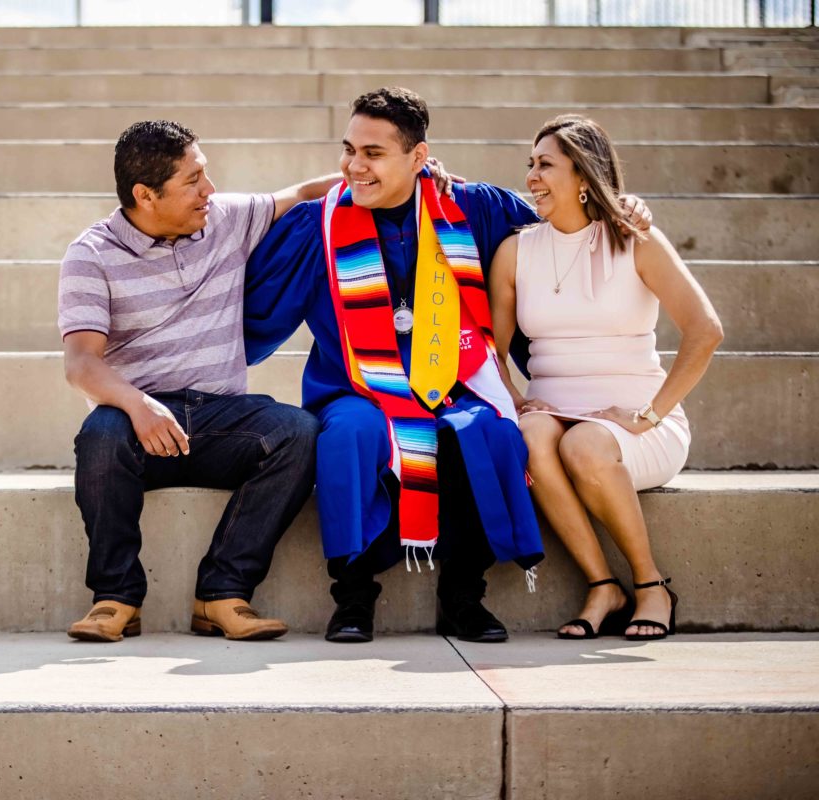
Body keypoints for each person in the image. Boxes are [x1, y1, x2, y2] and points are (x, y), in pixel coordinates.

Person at [244, 87, 651, 644]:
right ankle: (354, 598)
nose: (354, 166)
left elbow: (562, 220)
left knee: (484, 429)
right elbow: (254, 313)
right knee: (349, 434)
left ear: (418, 158)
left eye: (374, 154)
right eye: (349, 150)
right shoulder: (318, 226)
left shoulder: (470, 208)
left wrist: (619, 206)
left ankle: (463, 598)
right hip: (357, 390)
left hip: (451, 384)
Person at [58, 120, 340, 642]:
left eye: (204, 174)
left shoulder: (224, 218)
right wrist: (138, 405)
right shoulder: (91, 254)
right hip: (139, 424)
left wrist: (407, 175)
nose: (208, 190)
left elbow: (305, 193)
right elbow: (81, 363)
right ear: (145, 195)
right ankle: (115, 598)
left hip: (220, 420)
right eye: (192, 181)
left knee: (299, 431)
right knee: (100, 436)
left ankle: (221, 594)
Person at [489, 114, 722, 641]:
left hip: (638, 426)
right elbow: (490, 350)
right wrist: (515, 397)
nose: (532, 176)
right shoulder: (515, 251)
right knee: (528, 436)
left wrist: (649, 415)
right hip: (552, 414)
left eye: (546, 164)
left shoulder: (636, 240)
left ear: (584, 175)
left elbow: (706, 330)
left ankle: (650, 584)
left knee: (587, 445)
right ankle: (602, 585)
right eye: (530, 164)